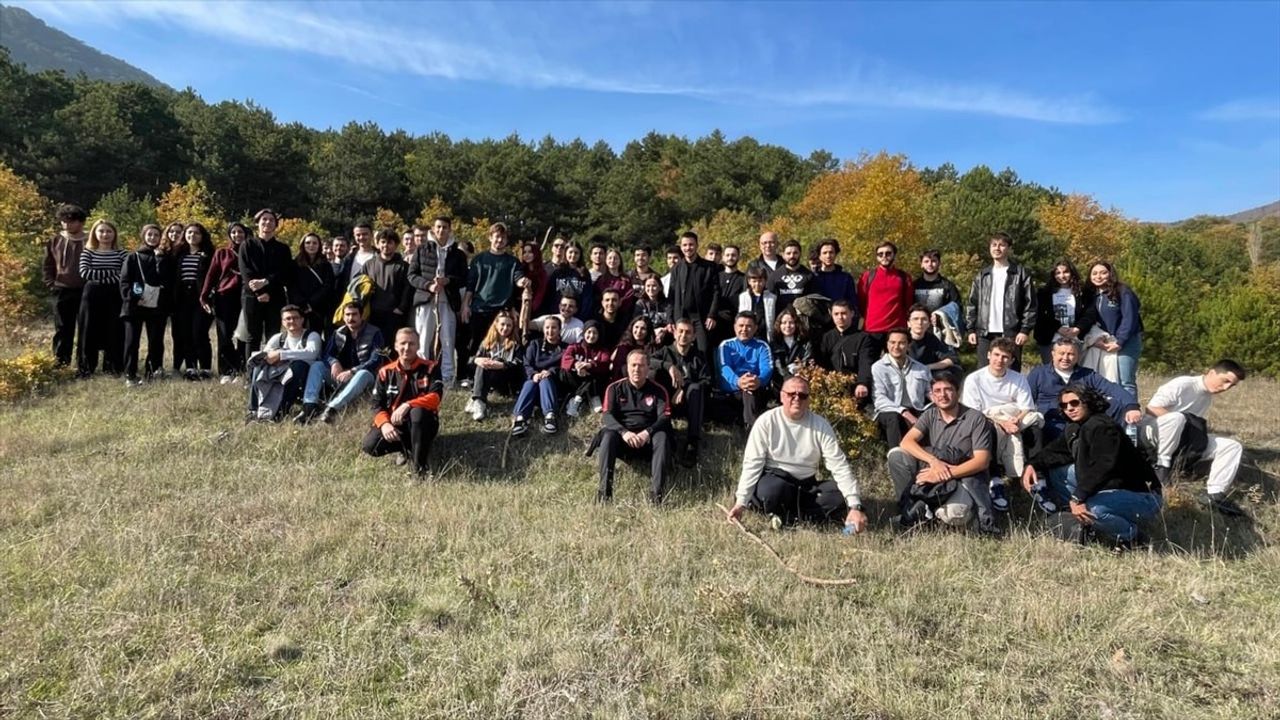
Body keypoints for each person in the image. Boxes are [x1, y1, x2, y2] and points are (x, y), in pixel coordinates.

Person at [1024, 386, 1162, 549]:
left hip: (1141, 495)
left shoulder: (1104, 427)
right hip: (1110, 486)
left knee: (1093, 509)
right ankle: (1085, 522)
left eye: (1074, 403)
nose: (1069, 408)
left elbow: (1103, 466)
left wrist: (1078, 497)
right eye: (1064, 405)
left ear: (1088, 402)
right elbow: (1055, 451)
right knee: (1058, 473)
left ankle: (1133, 538)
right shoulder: (1075, 427)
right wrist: (1032, 465)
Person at [726, 376, 867, 530]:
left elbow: (838, 465)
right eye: (791, 394)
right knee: (771, 492)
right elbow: (752, 463)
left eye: (802, 395)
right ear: (781, 396)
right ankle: (804, 517)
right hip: (776, 480)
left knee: (838, 497)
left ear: (808, 400)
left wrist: (855, 506)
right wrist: (741, 502)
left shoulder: (820, 425)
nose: (796, 399)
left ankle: (786, 519)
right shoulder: (766, 421)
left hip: (806, 486)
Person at [889, 374, 999, 534]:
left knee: (954, 514)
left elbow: (982, 461)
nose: (942, 395)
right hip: (933, 473)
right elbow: (907, 442)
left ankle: (953, 517)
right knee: (896, 455)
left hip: (964, 478)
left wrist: (944, 474)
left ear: (957, 392)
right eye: (937, 391)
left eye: (948, 389)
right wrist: (934, 462)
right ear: (932, 395)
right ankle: (910, 508)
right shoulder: (930, 415)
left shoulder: (976, 419)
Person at [1141, 360, 1247, 516]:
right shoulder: (1183, 384)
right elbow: (1151, 409)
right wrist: (1185, 426)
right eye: (1225, 381)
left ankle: (1215, 493)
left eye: (1231, 385)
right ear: (1211, 373)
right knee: (1177, 418)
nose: (1226, 388)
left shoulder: (1207, 396)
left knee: (1232, 446)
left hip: (1182, 440)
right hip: (1155, 433)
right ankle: (1162, 469)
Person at [961, 338, 1045, 512]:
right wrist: (1002, 422)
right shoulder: (974, 379)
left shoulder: (1018, 378)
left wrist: (1015, 420)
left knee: (1035, 428)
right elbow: (974, 412)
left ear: (1011, 360)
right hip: (987, 418)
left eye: (1005, 357)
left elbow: (1026, 407)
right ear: (989, 355)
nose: (1000, 360)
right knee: (986, 428)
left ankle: (1038, 478)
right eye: (996, 355)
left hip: (1014, 418)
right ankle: (994, 478)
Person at [591, 350, 674, 504]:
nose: (637, 369)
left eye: (641, 365)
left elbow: (665, 417)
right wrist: (624, 433)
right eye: (633, 365)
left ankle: (656, 496)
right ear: (627, 367)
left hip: (648, 442)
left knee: (662, 436)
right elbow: (607, 415)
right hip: (623, 440)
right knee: (608, 435)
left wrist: (647, 433)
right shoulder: (614, 388)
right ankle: (604, 494)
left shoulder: (659, 390)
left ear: (648, 368)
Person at [363, 328, 443, 479]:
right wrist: (385, 424)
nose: (407, 348)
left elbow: (435, 397)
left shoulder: (431, 367)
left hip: (425, 423)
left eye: (411, 344)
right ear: (395, 346)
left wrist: (408, 405)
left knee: (417, 412)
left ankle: (419, 469)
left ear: (418, 346)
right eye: (403, 343)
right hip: (396, 425)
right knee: (370, 445)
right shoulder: (385, 372)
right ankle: (408, 449)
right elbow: (376, 404)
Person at [1026, 338, 1140, 440]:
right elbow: (1026, 400)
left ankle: (1121, 445)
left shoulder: (1086, 374)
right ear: (1053, 354)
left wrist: (1132, 406)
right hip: (1054, 421)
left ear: (1078, 356)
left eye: (1071, 354)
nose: (1065, 358)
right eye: (1062, 353)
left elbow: (1112, 388)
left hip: (1084, 419)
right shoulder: (1038, 374)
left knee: (1116, 405)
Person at [294, 302, 384, 425]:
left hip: (365, 377)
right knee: (317, 366)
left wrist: (352, 371)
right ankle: (309, 406)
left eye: (354, 314)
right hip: (341, 376)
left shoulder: (374, 332)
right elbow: (326, 354)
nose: (350, 318)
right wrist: (334, 362)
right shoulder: (339, 333)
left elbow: (376, 360)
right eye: (347, 315)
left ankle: (332, 409)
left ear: (361, 316)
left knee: (363, 373)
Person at [407, 217, 468, 386]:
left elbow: (463, 278)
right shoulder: (421, 250)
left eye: (445, 227)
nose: (441, 230)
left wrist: (447, 280)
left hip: (447, 301)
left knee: (448, 341)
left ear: (450, 229)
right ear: (433, 229)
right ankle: (421, 377)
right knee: (424, 340)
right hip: (427, 301)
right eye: (438, 227)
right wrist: (428, 285)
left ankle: (448, 379)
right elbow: (412, 275)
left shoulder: (458, 254)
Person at [965, 232, 1036, 371]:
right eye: (994, 245)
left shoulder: (1020, 274)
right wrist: (971, 329)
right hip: (984, 334)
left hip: (1011, 333)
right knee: (984, 373)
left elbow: (1030, 304)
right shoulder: (982, 275)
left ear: (1008, 248)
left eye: (1002, 245)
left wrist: (1025, 330)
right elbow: (972, 304)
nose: (997, 248)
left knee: (1011, 373)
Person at [461, 222, 524, 375]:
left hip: (502, 311)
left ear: (507, 240)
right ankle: (469, 375)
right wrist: (465, 305)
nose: (499, 241)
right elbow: (471, 285)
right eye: (496, 237)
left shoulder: (512, 262)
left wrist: (524, 282)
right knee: (475, 343)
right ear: (490, 238)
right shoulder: (479, 259)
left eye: (503, 238)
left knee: (500, 344)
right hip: (480, 308)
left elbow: (518, 279)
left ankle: (496, 377)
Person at [650, 318, 711, 464]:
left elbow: (707, 381)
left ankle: (692, 442)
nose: (684, 335)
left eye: (688, 332)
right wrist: (668, 366)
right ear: (675, 333)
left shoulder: (699, 356)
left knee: (696, 388)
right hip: (666, 402)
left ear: (694, 336)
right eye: (681, 331)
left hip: (689, 404)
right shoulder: (665, 351)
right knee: (655, 374)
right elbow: (647, 360)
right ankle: (664, 432)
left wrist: (684, 387)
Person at [120, 224, 173, 386]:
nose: (152, 238)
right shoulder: (133, 257)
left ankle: (153, 371)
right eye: (149, 235)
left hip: (157, 306)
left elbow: (168, 281)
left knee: (156, 341)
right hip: (134, 305)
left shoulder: (165, 258)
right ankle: (130, 374)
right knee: (131, 342)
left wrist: (160, 259)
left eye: (156, 235)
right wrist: (132, 298)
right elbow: (124, 281)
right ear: (143, 236)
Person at [247, 305, 321, 421]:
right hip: (279, 374)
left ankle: (281, 411)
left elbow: (311, 353)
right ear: (282, 321)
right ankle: (254, 409)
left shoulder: (311, 336)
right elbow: (267, 353)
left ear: (302, 319)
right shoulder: (278, 338)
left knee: (298, 365)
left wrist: (281, 355)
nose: (292, 321)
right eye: (288, 318)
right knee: (258, 367)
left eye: (295, 318)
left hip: (304, 378)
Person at [1082, 261, 1143, 399]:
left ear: (1110, 274)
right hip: (1102, 343)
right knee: (1106, 381)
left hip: (1126, 342)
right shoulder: (1090, 295)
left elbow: (1130, 319)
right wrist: (1094, 340)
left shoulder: (1122, 291)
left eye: (1103, 272)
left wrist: (1120, 341)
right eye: (1095, 273)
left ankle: (1130, 417)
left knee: (1125, 381)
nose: (1099, 276)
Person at [239, 208, 293, 360]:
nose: (267, 223)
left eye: (271, 220)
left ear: (276, 225)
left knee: (273, 336)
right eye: (264, 219)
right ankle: (252, 375)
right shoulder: (247, 245)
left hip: (275, 296)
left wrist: (266, 282)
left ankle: (271, 373)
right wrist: (259, 293)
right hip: (251, 297)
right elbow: (245, 272)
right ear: (257, 223)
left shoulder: (283, 249)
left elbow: (284, 273)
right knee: (252, 336)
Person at [76, 219, 126, 376]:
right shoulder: (87, 252)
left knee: (114, 329)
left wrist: (101, 276)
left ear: (114, 234)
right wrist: (112, 273)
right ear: (95, 234)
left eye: (109, 231)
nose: (105, 234)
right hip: (92, 296)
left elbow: (124, 275)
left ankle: (113, 367)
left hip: (115, 296)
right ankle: (86, 367)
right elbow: (85, 273)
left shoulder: (122, 254)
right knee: (88, 330)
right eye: (101, 231)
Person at [872, 328, 934, 448]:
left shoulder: (921, 368)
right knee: (893, 417)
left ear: (909, 345)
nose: (896, 346)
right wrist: (903, 412)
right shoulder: (878, 367)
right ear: (887, 344)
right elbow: (879, 399)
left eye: (901, 343)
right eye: (892, 342)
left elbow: (929, 391)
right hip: (890, 412)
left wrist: (937, 400)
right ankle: (897, 456)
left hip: (917, 409)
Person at [202, 222, 247, 384]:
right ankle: (226, 370)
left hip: (245, 296)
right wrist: (204, 295)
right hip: (224, 296)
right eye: (233, 232)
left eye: (240, 232)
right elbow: (211, 274)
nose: (237, 235)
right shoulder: (222, 253)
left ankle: (241, 369)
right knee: (224, 335)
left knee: (243, 335)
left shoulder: (250, 250)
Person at [44, 203, 87, 369]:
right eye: (63, 221)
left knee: (85, 328)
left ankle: (84, 365)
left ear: (80, 222)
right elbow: (47, 265)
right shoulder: (55, 241)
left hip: (85, 290)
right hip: (62, 289)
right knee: (62, 329)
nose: (66, 224)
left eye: (70, 221)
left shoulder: (91, 240)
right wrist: (51, 284)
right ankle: (61, 364)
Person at [464, 310, 524, 421]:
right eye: (502, 324)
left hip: (506, 381)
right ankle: (479, 402)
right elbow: (470, 361)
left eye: (509, 325)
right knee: (483, 362)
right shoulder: (486, 343)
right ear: (496, 324)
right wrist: (477, 360)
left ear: (512, 327)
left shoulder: (516, 345)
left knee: (494, 360)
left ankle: (476, 399)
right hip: (488, 378)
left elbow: (519, 365)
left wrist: (502, 365)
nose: (505, 328)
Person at [668, 231, 721, 357]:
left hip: (701, 318)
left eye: (691, 245)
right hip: (680, 316)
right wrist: (670, 319)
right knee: (681, 352)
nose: (688, 248)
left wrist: (712, 315)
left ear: (697, 245)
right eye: (685, 245)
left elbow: (716, 293)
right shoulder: (676, 268)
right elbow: (671, 295)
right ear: (681, 247)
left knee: (703, 351)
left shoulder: (709, 267)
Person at [512, 315, 566, 436]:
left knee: (545, 380)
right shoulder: (535, 344)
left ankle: (550, 416)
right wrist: (533, 374)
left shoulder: (565, 348)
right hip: (533, 385)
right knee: (530, 382)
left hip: (552, 387)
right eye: (547, 327)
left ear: (559, 329)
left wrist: (550, 372)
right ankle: (520, 418)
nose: (550, 331)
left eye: (554, 328)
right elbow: (526, 364)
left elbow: (564, 367)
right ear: (543, 329)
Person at [717, 311, 773, 429]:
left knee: (749, 389)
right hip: (732, 389)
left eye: (749, 326)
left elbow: (767, 368)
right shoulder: (725, 345)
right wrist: (738, 381)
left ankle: (750, 428)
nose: (744, 329)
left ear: (755, 328)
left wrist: (758, 380)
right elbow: (724, 368)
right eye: (741, 325)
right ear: (734, 327)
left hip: (755, 388)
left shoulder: (762, 346)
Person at [174, 223, 215, 379]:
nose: (192, 235)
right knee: (186, 334)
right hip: (183, 297)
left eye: (196, 233)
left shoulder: (209, 254)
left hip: (202, 298)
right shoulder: (178, 253)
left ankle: (205, 369)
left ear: (202, 236)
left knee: (200, 333)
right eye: (189, 232)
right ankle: (190, 368)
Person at [1032, 259, 1092, 365]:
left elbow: (1089, 314)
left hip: (1075, 339)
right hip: (1050, 339)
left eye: (1065, 272)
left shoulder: (1083, 292)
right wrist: (1058, 328)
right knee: (1051, 372)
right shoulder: (1044, 293)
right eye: (1058, 273)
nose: (1062, 276)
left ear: (1072, 273)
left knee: (1073, 374)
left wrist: (1078, 328)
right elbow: (1041, 315)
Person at [815, 299, 876, 403]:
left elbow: (865, 362)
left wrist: (862, 383)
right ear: (831, 314)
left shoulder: (863, 338)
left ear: (852, 313)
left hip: (854, 388)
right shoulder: (826, 338)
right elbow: (821, 363)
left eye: (844, 313)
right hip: (831, 387)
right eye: (836, 314)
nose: (840, 317)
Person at [359, 229, 413, 343]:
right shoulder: (368, 265)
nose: (385, 245)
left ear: (396, 245)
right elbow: (360, 287)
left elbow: (408, 290)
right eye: (383, 242)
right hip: (373, 314)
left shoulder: (403, 266)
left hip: (394, 315)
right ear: (378, 244)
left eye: (389, 242)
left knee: (393, 348)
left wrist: (401, 309)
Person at [857, 241, 914, 343]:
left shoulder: (904, 277)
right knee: (869, 359)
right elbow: (861, 301)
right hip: (872, 329)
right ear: (877, 257)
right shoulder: (867, 276)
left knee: (896, 359)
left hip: (896, 329)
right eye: (880, 254)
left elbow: (908, 302)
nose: (884, 256)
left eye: (888, 253)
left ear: (894, 255)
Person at [561, 320, 613, 417]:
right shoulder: (574, 346)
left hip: (592, 380)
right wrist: (576, 364)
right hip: (576, 378)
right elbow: (565, 359)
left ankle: (577, 399)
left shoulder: (603, 350)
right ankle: (592, 396)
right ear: (584, 332)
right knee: (564, 372)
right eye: (589, 332)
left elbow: (605, 363)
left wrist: (590, 366)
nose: (591, 335)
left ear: (599, 335)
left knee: (594, 376)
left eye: (595, 333)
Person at [292, 232, 336, 342]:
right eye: (308, 243)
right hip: (301, 307)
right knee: (300, 337)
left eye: (314, 243)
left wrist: (312, 302)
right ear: (303, 245)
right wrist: (303, 303)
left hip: (320, 308)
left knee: (318, 336)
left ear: (319, 245)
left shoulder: (326, 264)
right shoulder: (295, 264)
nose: (311, 245)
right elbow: (291, 285)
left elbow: (328, 285)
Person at [912, 248, 964, 341]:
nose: (930, 264)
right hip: (918, 333)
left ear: (939, 263)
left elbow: (957, 308)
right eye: (926, 261)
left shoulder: (948, 286)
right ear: (921, 264)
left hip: (942, 334)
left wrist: (941, 317)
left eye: (933, 261)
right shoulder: (914, 285)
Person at [906, 304, 960, 374]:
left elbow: (951, 359)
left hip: (927, 374)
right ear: (908, 323)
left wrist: (927, 367)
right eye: (915, 319)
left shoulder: (931, 339)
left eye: (924, 319)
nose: (920, 323)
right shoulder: (901, 339)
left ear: (929, 324)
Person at [769, 307, 813, 393]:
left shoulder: (805, 342)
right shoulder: (774, 344)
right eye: (784, 323)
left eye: (791, 322)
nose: (787, 326)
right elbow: (777, 365)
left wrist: (797, 369)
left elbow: (808, 360)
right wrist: (788, 376)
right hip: (780, 384)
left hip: (801, 381)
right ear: (779, 325)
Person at [546, 241, 593, 319]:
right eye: (570, 252)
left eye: (576, 253)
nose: (573, 255)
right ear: (565, 253)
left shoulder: (584, 273)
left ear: (580, 255)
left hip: (578, 317)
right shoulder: (558, 272)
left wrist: (582, 317)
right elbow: (551, 295)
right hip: (557, 316)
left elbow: (587, 298)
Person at [768, 239, 815, 311]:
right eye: (788, 253)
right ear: (783, 255)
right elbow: (769, 301)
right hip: (781, 319)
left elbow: (814, 301)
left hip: (802, 319)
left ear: (800, 254)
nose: (792, 256)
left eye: (795, 253)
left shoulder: (809, 275)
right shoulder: (774, 276)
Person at [811, 239, 857, 310]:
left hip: (840, 317)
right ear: (819, 256)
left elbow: (853, 303)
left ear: (836, 254)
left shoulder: (845, 278)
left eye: (831, 252)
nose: (828, 256)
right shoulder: (812, 278)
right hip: (818, 319)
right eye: (825, 253)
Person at [714, 244, 745, 347]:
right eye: (727, 255)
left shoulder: (744, 279)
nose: (730, 258)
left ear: (738, 257)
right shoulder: (715, 277)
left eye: (733, 255)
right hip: (716, 324)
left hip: (734, 324)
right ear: (723, 257)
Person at [517, 241, 548, 338]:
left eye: (530, 252)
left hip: (535, 310)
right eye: (524, 252)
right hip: (518, 309)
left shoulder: (542, 273)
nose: (527, 255)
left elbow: (541, 292)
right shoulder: (520, 270)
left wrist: (531, 309)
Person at [737, 266, 777, 342]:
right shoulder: (743, 297)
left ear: (765, 281)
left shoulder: (772, 297)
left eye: (760, 281)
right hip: (749, 332)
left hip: (765, 334)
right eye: (754, 281)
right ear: (749, 281)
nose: (757, 284)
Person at [632, 275, 673, 346]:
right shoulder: (640, 304)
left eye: (654, 285)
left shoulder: (667, 304)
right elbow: (637, 323)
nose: (650, 288)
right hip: (645, 337)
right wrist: (653, 332)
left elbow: (671, 322)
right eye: (648, 286)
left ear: (660, 287)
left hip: (665, 335)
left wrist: (663, 331)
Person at [594, 248, 633, 314]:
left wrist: (616, 305)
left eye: (615, 258)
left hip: (621, 314)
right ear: (606, 260)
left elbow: (628, 297)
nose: (612, 260)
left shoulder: (626, 280)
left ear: (620, 261)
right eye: (610, 258)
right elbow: (596, 297)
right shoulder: (600, 279)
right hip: (603, 314)